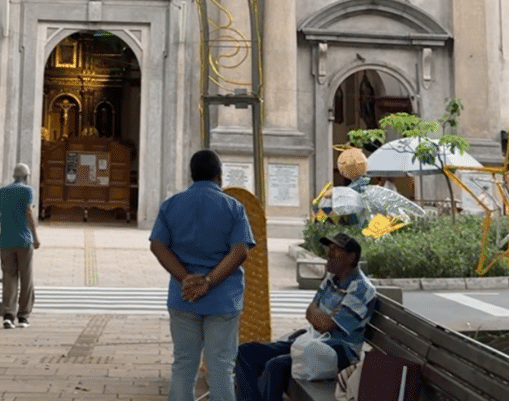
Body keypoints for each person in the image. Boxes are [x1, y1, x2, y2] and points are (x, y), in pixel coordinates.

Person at [149, 149, 255, 401]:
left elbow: (157, 245)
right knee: (221, 367)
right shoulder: (233, 207)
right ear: (220, 176)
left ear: (191, 175)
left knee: (184, 364)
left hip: (183, 297)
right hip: (223, 299)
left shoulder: (172, 204)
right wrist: (208, 282)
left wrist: (186, 278)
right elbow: (239, 251)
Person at [235, 233, 376, 401]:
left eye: (335, 251)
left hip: (339, 353)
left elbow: (327, 324)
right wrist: (323, 317)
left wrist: (322, 317)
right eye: (328, 249)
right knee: (245, 352)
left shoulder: (361, 288)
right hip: (312, 341)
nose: (328, 254)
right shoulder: (331, 279)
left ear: (351, 257)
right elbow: (310, 311)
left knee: (276, 365)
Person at [0, 162, 40, 329]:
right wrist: (35, 236)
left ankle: (8, 315)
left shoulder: (3, 191)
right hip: (24, 241)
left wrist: (6, 222)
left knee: (9, 278)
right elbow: (29, 213)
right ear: (26, 177)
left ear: (14, 176)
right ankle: (23, 316)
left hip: (5, 241)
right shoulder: (28, 190)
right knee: (26, 279)